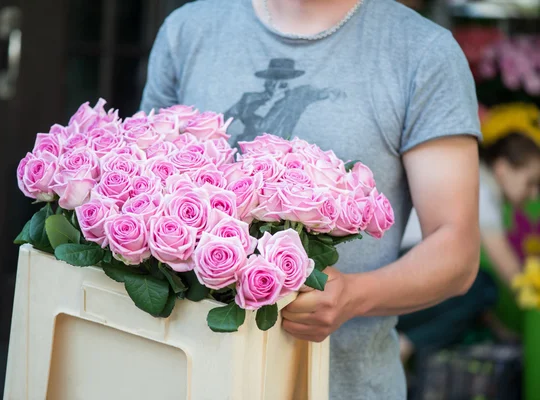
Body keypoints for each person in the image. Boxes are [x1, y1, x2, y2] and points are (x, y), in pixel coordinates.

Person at [141, 0, 481, 398]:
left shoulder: (421, 52)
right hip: (183, 380)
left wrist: (353, 296)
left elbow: (456, 249)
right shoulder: (187, 30)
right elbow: (143, 192)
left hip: (341, 384)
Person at [398, 132, 540, 362]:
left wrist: (499, 329)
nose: (534, 194)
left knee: (473, 287)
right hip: (406, 269)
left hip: (404, 269)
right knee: (481, 285)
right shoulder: (481, 188)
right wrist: (535, 293)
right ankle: (406, 344)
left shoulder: (472, 179)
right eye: (531, 182)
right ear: (502, 168)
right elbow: (515, 277)